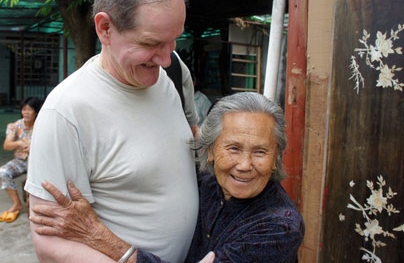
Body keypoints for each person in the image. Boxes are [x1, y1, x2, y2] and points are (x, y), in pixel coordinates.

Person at [24, 0, 199, 262]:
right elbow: (50, 247)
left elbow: (189, 137)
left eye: (173, 41)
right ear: (105, 28)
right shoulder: (66, 112)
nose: (166, 57)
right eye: (151, 43)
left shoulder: (172, 72)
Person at [30, 92, 305, 262]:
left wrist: (98, 235)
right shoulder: (204, 185)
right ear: (209, 150)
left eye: (260, 152)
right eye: (233, 149)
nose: (245, 165)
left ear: (276, 156)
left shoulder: (279, 226)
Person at [0, 96, 42, 223]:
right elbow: (7, 145)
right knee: (4, 171)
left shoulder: (42, 125)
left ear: (36, 112)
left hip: (37, 161)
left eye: (30, 110)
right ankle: (17, 204)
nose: (26, 113)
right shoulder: (16, 125)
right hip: (21, 161)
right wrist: (19, 144)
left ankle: (35, 207)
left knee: (33, 181)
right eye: (24, 109)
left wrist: (34, 149)